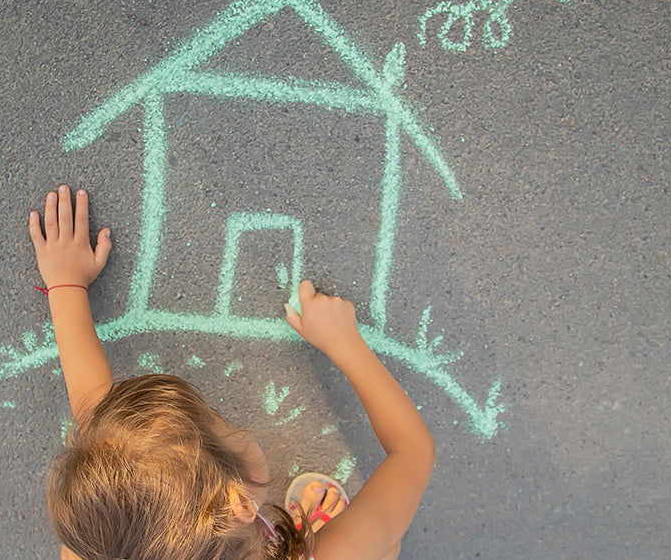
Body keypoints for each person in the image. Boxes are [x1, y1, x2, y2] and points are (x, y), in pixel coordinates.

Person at [29, 185, 436, 559]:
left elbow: (103, 437)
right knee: (384, 541)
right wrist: (345, 343)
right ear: (240, 503)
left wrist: (66, 287)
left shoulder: (103, 542)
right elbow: (412, 453)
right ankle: (298, 534)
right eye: (221, 423)